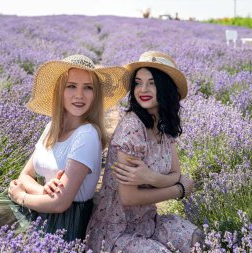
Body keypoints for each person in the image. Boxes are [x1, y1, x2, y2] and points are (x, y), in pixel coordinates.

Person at [0, 54, 129, 241]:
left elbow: (60, 203)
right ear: (59, 91)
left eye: (88, 88)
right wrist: (42, 190)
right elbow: (25, 175)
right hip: (38, 204)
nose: (79, 95)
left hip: (61, 221)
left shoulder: (87, 134)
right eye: (71, 86)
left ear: (95, 95)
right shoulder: (52, 127)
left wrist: (20, 197)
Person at [86, 51, 203, 252]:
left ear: (165, 87)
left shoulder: (164, 126)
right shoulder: (132, 128)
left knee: (197, 240)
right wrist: (180, 190)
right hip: (116, 231)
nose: (143, 89)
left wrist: (151, 177)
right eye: (138, 83)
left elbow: (175, 173)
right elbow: (129, 197)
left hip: (149, 222)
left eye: (152, 83)